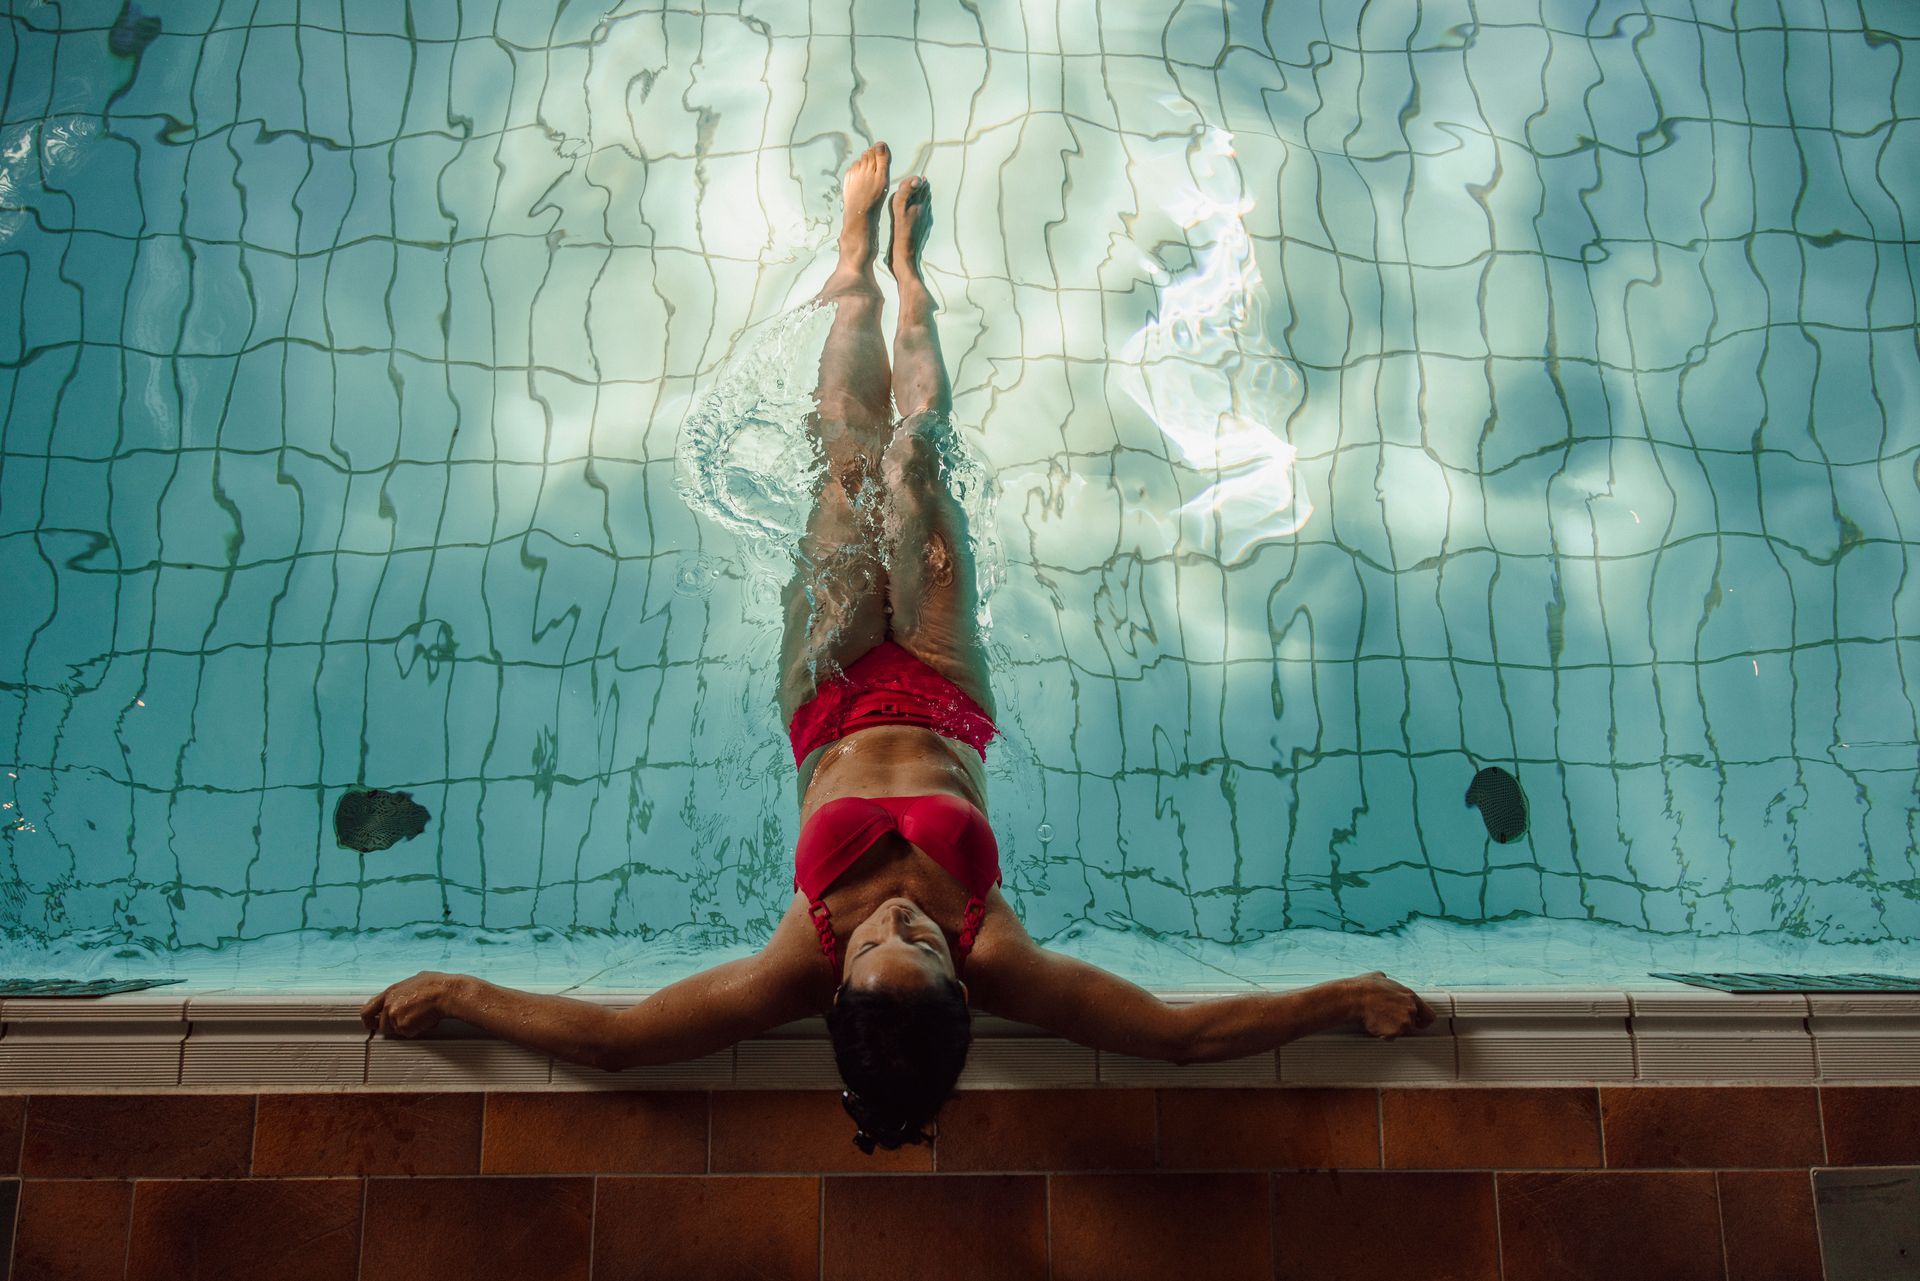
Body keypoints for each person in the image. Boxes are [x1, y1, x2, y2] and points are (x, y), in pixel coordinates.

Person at [361, 143, 1434, 1154]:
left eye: (885, 945)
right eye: (921, 946)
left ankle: (852, 264)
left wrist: (460, 993)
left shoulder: (801, 961)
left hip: (826, 699)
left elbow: (617, 1040)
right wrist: (1342, 997)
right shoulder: (996, 952)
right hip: (942, 693)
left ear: (841, 985)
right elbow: (1176, 1036)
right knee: (916, 464)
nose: (904, 920)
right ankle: (914, 283)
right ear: (959, 987)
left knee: (844, 471)